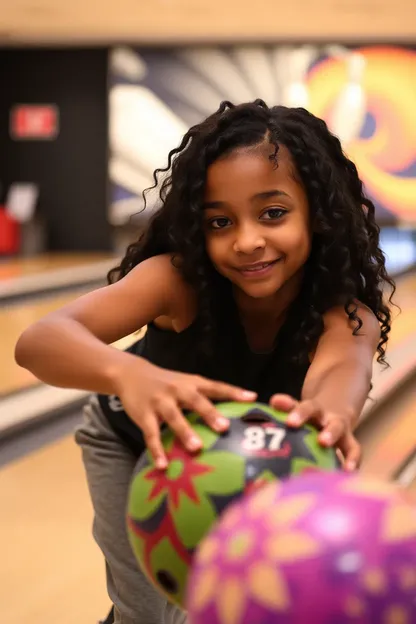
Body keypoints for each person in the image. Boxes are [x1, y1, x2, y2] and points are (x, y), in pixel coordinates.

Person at [15, 100, 395, 624]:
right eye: (220, 221)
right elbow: (40, 340)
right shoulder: (177, 281)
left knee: (232, 603)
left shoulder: (344, 314)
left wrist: (329, 416)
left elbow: (340, 371)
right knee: (145, 612)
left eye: (274, 213)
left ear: (320, 214)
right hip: (133, 445)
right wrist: (129, 373)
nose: (247, 241)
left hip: (247, 457)